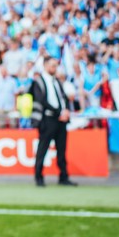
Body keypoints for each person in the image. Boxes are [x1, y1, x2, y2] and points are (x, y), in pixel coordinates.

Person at [29, 56, 77, 187]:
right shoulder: (38, 82)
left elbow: (64, 98)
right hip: (48, 119)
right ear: (45, 65)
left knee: (62, 149)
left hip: (61, 120)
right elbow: (42, 101)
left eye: (56, 65)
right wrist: (58, 112)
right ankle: (38, 177)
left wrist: (66, 110)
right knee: (42, 149)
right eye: (52, 65)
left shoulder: (57, 81)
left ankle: (63, 176)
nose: (54, 68)